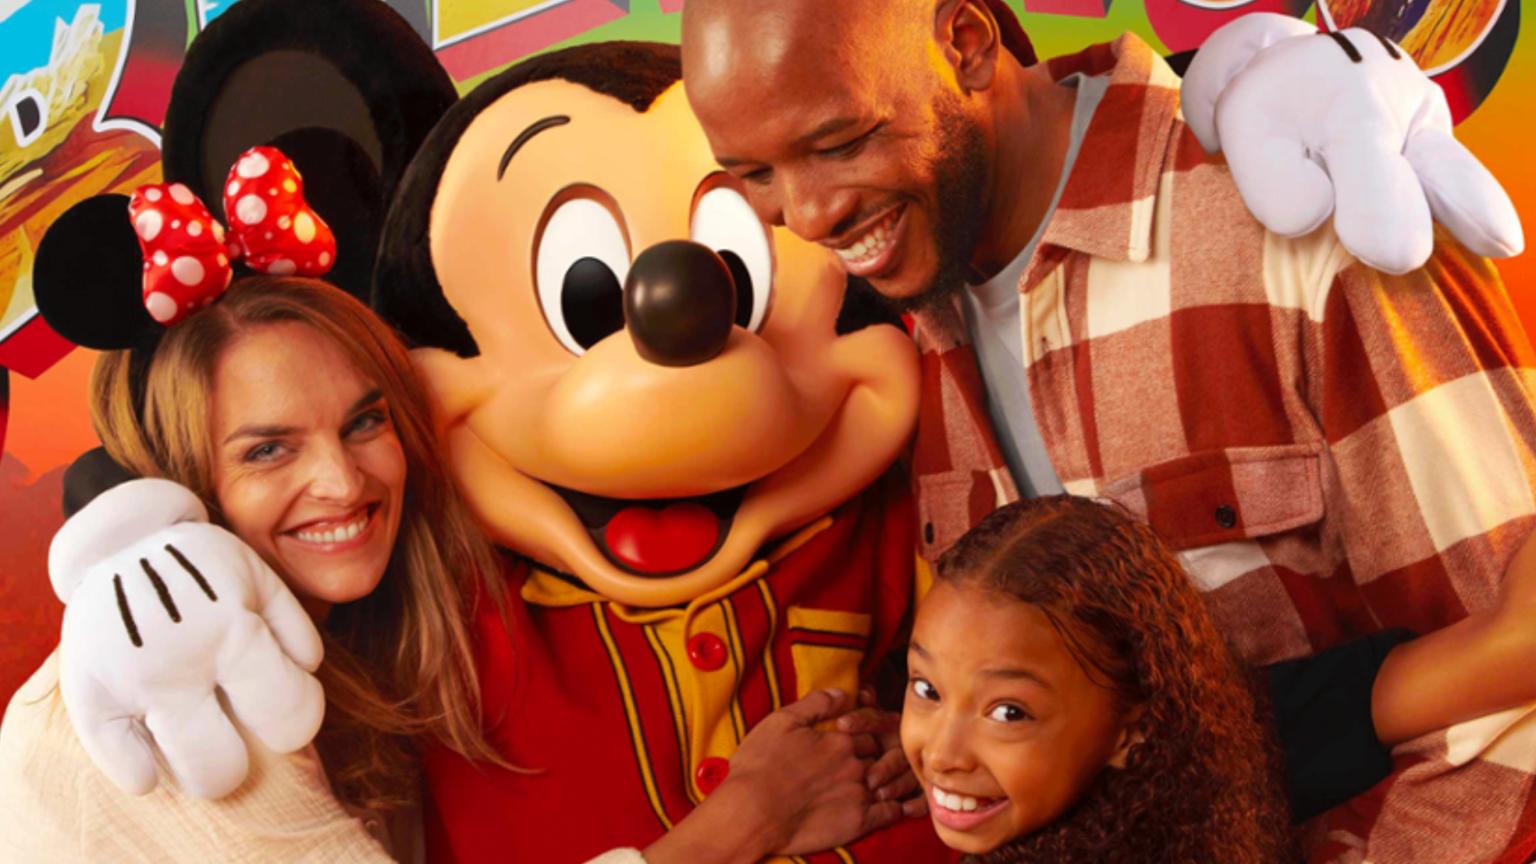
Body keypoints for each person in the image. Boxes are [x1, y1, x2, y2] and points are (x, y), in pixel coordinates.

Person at [680, 1, 1536, 859]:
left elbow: (1515, 690)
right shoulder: (900, 311)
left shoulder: (1296, 199)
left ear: (966, 43)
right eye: (753, 174)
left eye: (839, 144)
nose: (808, 212)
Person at [0, 276, 911, 863]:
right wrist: (748, 818)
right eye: (269, 450)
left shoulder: (364, 638)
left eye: (364, 422)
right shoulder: (167, 681)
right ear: (178, 488)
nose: (343, 482)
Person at [903, 496, 1536, 862]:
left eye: (1008, 712)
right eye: (927, 690)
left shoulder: (1254, 740)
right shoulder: (1237, 735)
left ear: (1134, 728)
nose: (943, 755)